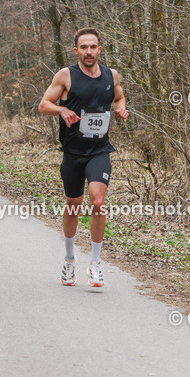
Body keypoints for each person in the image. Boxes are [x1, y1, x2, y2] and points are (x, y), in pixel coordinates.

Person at [38, 27, 127, 287]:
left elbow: (119, 98)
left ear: (100, 49)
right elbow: (44, 104)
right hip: (73, 151)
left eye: (93, 47)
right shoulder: (67, 75)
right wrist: (62, 110)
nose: (89, 52)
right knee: (73, 204)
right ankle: (69, 260)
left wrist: (121, 109)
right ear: (76, 50)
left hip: (99, 149)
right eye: (84, 47)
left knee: (97, 202)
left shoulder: (112, 75)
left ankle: (95, 264)